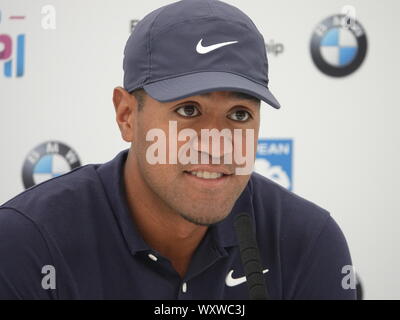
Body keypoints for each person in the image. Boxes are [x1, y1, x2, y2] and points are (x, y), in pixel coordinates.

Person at [0, 0, 356, 299]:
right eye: (188, 110)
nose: (217, 146)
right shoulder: (27, 243)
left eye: (239, 114)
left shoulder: (309, 242)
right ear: (126, 115)